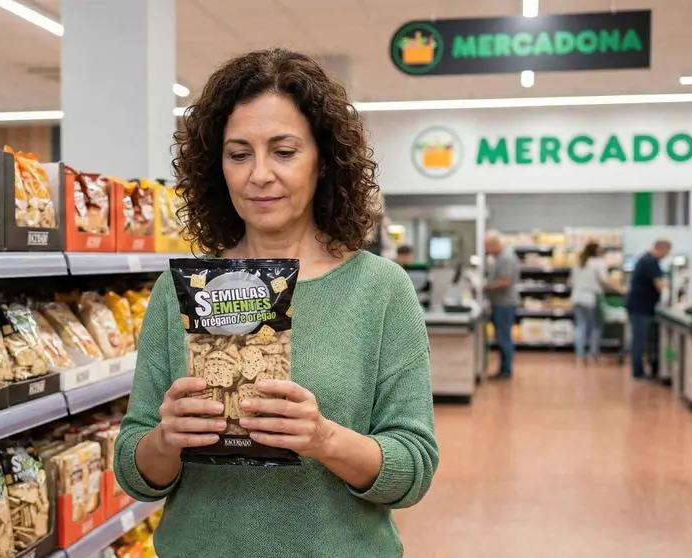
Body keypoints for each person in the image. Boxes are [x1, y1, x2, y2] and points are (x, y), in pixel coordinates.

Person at [114, 49, 438, 558]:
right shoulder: (179, 291)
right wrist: (165, 438)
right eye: (239, 154)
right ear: (217, 166)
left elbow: (412, 470)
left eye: (284, 152)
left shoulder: (380, 290)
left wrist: (324, 439)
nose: (259, 174)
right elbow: (134, 470)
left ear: (323, 161)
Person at [625, 239, 672, 379]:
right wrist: (669, 288)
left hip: (641, 306)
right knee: (639, 341)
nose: (666, 256)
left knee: (640, 340)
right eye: (667, 252)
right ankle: (638, 372)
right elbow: (659, 285)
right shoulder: (649, 262)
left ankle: (642, 370)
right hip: (641, 308)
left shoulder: (646, 259)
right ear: (662, 249)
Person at [569, 241, 620, 363]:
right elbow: (604, 282)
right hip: (592, 298)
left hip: (577, 297)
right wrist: (618, 290)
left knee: (580, 326)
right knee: (595, 326)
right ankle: (593, 353)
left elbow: (571, 281)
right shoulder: (598, 263)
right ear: (596, 251)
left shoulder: (579, 263)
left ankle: (579, 354)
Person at [484, 231, 520, 379]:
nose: (486, 250)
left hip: (505, 304)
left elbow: (505, 282)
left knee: (504, 337)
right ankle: (504, 368)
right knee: (502, 336)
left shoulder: (506, 258)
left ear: (494, 244)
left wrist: (485, 287)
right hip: (500, 303)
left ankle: (506, 370)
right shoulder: (499, 257)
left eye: (487, 246)